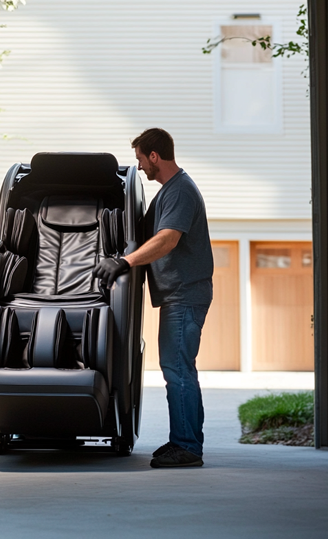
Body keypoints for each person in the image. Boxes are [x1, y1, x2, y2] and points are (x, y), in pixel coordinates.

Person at [93, 128, 213, 468]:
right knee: (179, 369)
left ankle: (187, 447)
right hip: (178, 295)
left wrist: (124, 262)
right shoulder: (168, 193)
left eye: (141, 159)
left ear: (155, 156)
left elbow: (167, 240)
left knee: (178, 369)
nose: (141, 167)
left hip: (186, 294)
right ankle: (184, 441)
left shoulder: (180, 192)